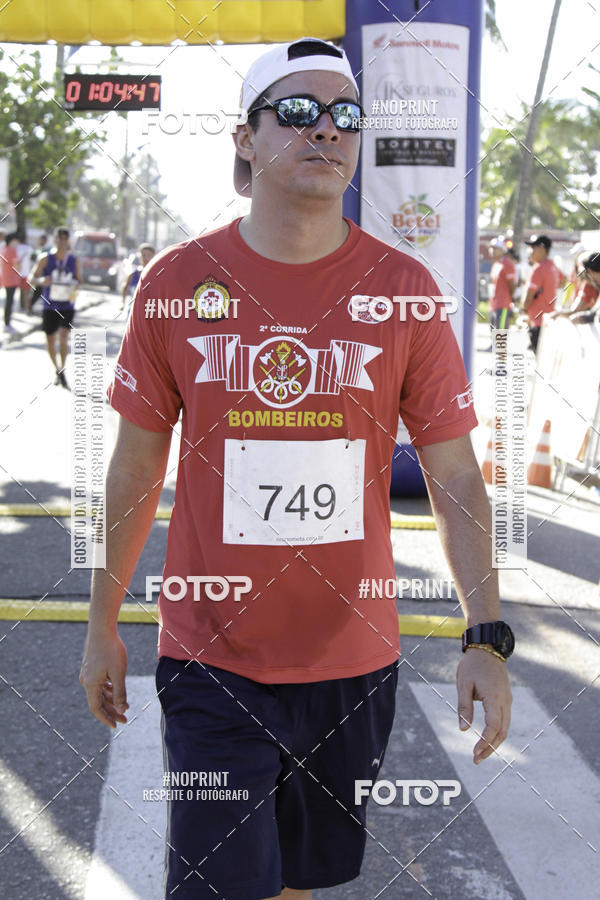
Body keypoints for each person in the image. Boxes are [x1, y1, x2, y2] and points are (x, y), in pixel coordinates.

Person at [80, 38, 513, 900]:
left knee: (297, 885)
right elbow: (133, 465)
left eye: (346, 116)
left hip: (352, 669)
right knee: (219, 886)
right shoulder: (176, 285)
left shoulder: (406, 293)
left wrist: (485, 634)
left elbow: (457, 477)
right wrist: (101, 621)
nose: (328, 131)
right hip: (212, 661)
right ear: (246, 137)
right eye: (300, 112)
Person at [31, 227, 81, 389]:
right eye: (60, 238)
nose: (62, 241)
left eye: (65, 239)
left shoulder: (74, 260)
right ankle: (57, 369)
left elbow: (80, 280)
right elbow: (32, 277)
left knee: (64, 337)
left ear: (68, 241)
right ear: (55, 240)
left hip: (67, 304)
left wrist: (74, 286)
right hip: (49, 304)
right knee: (50, 339)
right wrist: (41, 281)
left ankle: (63, 369)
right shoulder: (46, 258)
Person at [522, 234, 565, 354]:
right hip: (548, 318)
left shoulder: (539, 268)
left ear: (542, 248)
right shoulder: (552, 266)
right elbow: (563, 280)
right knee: (545, 356)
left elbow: (530, 293)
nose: (530, 251)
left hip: (537, 320)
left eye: (532, 248)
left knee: (539, 356)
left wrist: (523, 309)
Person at [488, 237, 516, 330]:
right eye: (491, 248)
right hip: (494, 304)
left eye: (495, 248)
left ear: (502, 250)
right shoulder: (496, 264)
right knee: (493, 333)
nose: (492, 250)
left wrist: (510, 300)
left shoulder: (507, 264)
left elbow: (512, 285)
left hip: (503, 305)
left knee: (500, 336)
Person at [120, 243, 155, 312]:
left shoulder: (157, 275)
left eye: (148, 255)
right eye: (143, 255)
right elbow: (125, 287)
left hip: (150, 313)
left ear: (153, 256)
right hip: (133, 312)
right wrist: (122, 303)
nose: (146, 258)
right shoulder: (133, 275)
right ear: (139, 256)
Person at [1, 232, 22, 333]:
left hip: (5, 279)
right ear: (13, 240)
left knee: (8, 302)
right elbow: (16, 266)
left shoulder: (4, 250)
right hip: (12, 280)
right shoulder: (12, 250)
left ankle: (7, 322)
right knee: (9, 302)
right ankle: (7, 323)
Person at [29, 233, 51, 311]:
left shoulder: (48, 250)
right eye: (41, 239)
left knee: (39, 291)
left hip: (43, 274)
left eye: (44, 239)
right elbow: (32, 260)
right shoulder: (36, 250)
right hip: (35, 273)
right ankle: (29, 306)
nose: (42, 241)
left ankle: (32, 306)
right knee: (35, 291)